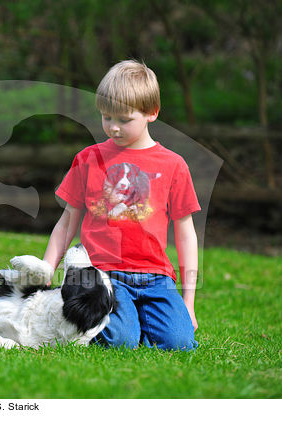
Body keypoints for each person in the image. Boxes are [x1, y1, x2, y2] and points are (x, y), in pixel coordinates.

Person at [43, 60, 199, 350]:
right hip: (104, 275)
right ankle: (125, 325)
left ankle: (141, 320)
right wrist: (45, 272)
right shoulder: (88, 159)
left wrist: (188, 302)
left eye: (124, 120)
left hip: (156, 278)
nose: (113, 128)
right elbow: (66, 222)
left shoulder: (174, 165)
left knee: (180, 343)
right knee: (119, 342)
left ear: (152, 113)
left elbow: (186, 233)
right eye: (106, 117)